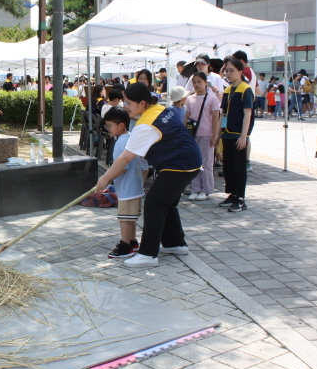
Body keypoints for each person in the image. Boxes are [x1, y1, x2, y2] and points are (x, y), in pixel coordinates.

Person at [94, 83, 202, 268]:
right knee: (166, 202)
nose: (125, 106)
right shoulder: (158, 110)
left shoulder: (145, 125)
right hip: (188, 161)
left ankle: (148, 254)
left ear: (142, 103)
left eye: (129, 103)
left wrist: (104, 178)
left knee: (153, 204)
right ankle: (175, 243)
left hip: (180, 164)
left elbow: (125, 158)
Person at [103, 107, 146, 259]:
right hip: (135, 187)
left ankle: (125, 246)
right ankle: (133, 242)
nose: (108, 129)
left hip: (127, 188)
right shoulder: (130, 138)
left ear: (121, 125)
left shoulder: (121, 142)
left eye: (110, 125)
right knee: (131, 218)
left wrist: (107, 178)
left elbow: (122, 167)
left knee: (124, 219)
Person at [217, 57, 254, 212]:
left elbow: (247, 114)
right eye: (226, 71)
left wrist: (244, 136)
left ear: (240, 72)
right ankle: (232, 194)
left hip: (238, 135)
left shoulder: (245, 89)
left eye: (232, 70)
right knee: (228, 167)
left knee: (239, 168)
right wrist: (217, 134)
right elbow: (223, 114)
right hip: (227, 134)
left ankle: (240, 198)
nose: (228, 73)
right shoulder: (227, 90)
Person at [186, 72, 221, 201]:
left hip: (207, 134)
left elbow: (216, 118)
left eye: (199, 81)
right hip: (193, 135)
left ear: (206, 83)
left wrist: (215, 135)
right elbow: (186, 117)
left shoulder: (212, 98)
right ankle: (195, 188)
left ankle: (206, 189)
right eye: (194, 82)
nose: (196, 84)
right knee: (194, 162)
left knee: (206, 163)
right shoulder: (190, 99)